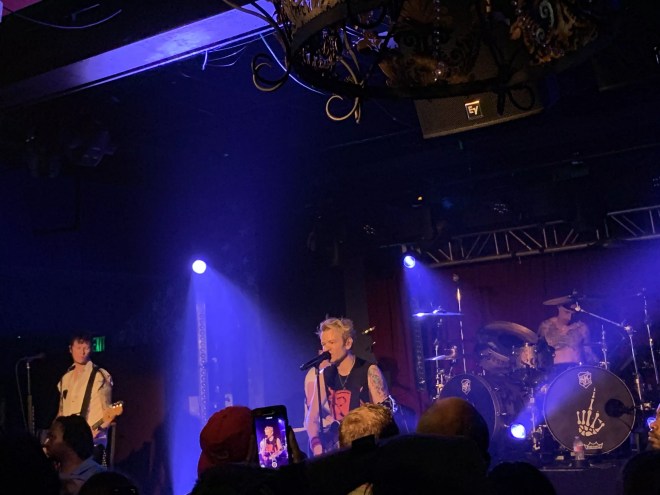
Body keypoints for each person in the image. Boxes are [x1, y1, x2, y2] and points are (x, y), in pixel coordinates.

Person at [305, 317, 392, 456]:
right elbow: (311, 418)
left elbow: (385, 416)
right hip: (340, 451)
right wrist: (316, 446)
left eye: (332, 342)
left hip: (366, 449)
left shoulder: (369, 371)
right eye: (323, 344)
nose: (326, 349)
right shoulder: (324, 375)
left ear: (348, 343)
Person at [57, 333, 113, 460]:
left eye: (86, 348)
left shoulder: (100, 376)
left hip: (93, 444)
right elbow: (61, 412)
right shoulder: (65, 378)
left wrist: (95, 431)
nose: (82, 352)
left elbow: (109, 413)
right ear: (70, 349)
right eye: (78, 348)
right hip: (70, 445)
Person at [43, 415, 106, 495]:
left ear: (70, 441)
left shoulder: (99, 479)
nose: (46, 443)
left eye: (52, 437)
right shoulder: (49, 475)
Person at [538, 301, 599, 375]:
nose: (569, 317)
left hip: (576, 371)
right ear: (559, 307)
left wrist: (596, 367)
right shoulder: (547, 327)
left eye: (572, 314)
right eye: (566, 312)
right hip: (556, 372)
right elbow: (539, 350)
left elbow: (588, 351)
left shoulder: (581, 327)